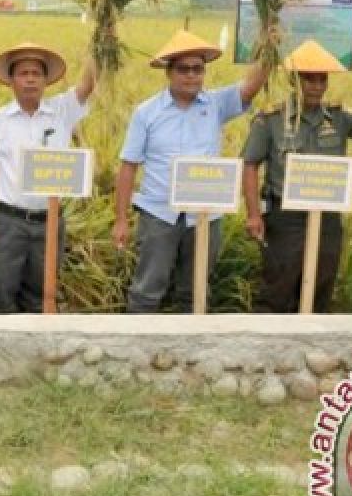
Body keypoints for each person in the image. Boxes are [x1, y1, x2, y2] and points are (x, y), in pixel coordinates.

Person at [113, 29, 268, 313]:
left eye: (198, 69)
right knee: (148, 288)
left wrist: (268, 45)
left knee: (195, 290)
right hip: (159, 213)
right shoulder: (146, 113)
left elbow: (250, 87)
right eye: (183, 69)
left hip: (204, 216)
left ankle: (192, 355)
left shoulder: (216, 104)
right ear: (169, 73)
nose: (191, 76)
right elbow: (128, 166)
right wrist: (121, 219)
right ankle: (138, 350)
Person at [241, 40, 352, 312]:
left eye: (322, 80)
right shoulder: (272, 119)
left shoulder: (339, 117)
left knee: (322, 280)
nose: (316, 86)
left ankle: (313, 344)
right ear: (293, 81)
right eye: (309, 79)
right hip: (286, 216)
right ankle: (274, 349)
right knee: (280, 282)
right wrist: (253, 214)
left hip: (327, 215)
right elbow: (250, 164)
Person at [0, 42, 97, 313]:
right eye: (23, 73)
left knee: (42, 293)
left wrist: (99, 40)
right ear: (11, 81)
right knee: (0, 291)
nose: (30, 79)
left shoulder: (63, 111)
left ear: (45, 80)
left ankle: (36, 351)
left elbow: (88, 85)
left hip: (50, 221)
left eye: (36, 74)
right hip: (9, 222)